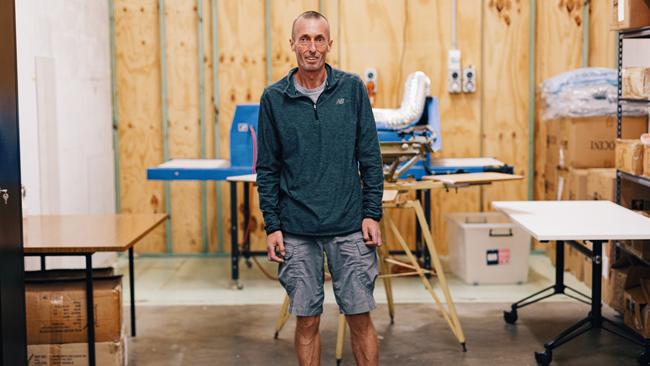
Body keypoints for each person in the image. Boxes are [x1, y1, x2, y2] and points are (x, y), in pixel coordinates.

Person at [255, 10, 384, 366]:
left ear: (329, 44)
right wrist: (273, 225)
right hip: (296, 230)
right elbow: (267, 168)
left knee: (359, 317)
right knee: (308, 320)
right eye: (305, 39)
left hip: (349, 227)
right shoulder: (273, 99)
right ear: (292, 43)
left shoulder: (352, 88)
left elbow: (370, 156)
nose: (312, 47)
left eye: (319, 39)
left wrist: (372, 213)